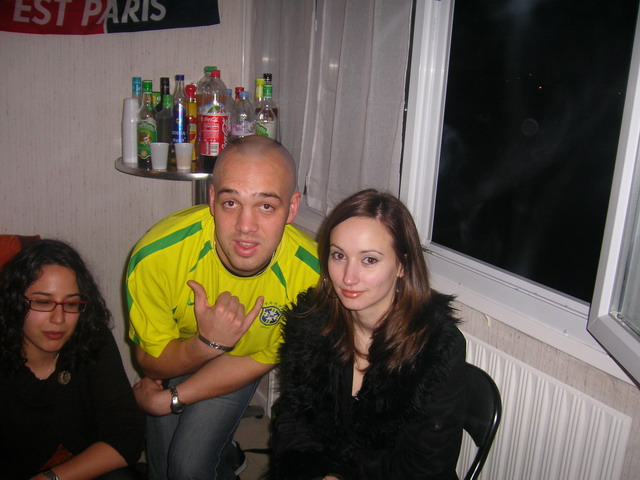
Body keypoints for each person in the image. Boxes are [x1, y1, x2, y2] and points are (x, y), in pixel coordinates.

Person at [128, 135, 320, 479]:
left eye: (266, 206)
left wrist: (173, 398)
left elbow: (262, 357)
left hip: (242, 360)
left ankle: (219, 455)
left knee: (186, 466)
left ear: (292, 209)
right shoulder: (157, 257)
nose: (246, 226)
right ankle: (224, 457)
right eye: (231, 203)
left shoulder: (312, 278)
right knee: (162, 467)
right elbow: (149, 360)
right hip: (177, 348)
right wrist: (206, 344)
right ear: (212, 199)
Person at [269, 189, 467, 480]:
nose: (348, 277)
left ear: (402, 265)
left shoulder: (436, 346)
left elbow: (425, 465)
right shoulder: (311, 324)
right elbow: (293, 420)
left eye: (369, 260)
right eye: (339, 256)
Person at [0, 239, 145, 480]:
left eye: (71, 303)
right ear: (14, 301)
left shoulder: (91, 339)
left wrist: (52, 479)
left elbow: (127, 433)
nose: (59, 319)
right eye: (43, 302)